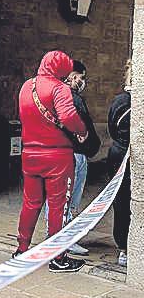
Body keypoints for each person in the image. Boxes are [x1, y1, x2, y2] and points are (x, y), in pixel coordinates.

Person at [14, 50, 88, 273]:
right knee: (58, 206)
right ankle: (58, 257)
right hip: (57, 156)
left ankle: (22, 249)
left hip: (30, 154)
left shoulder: (27, 86)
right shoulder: (59, 88)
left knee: (30, 202)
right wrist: (81, 131)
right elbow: (67, 116)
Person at [43, 61, 100, 256]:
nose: (82, 82)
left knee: (56, 198)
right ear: (73, 75)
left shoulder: (49, 94)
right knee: (68, 198)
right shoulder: (72, 98)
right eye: (81, 77)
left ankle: (53, 236)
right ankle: (63, 241)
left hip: (53, 152)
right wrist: (92, 146)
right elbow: (83, 125)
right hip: (73, 153)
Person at [107, 59, 131, 267]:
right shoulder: (125, 101)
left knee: (121, 202)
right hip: (125, 153)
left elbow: (112, 128)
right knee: (123, 200)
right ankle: (124, 246)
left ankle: (123, 247)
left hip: (118, 151)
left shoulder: (119, 100)